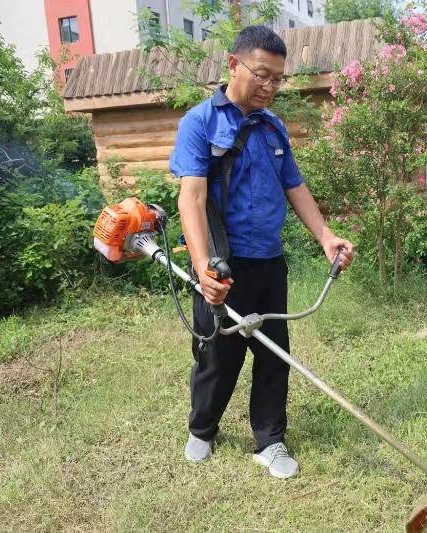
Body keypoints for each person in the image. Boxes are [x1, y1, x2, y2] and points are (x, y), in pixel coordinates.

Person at [169, 25, 354, 478]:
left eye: (278, 79)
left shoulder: (273, 127)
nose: (270, 87)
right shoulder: (200, 123)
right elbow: (190, 198)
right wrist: (201, 268)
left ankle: (270, 440)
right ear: (233, 65)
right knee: (217, 357)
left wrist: (326, 235)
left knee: (275, 354)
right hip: (222, 265)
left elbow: (295, 186)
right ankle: (203, 428)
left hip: (270, 262)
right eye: (262, 75)